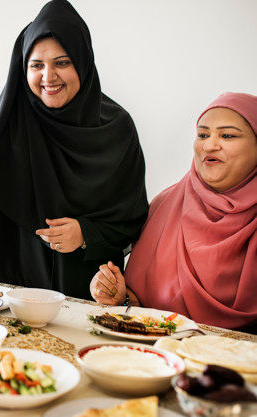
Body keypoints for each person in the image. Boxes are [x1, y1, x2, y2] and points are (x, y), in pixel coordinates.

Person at [0, 0, 148, 298]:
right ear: (23, 68)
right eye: (36, 65)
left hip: (90, 291)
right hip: (16, 288)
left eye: (62, 62)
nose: (48, 76)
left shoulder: (116, 129)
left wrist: (86, 234)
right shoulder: (6, 129)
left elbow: (131, 216)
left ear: (83, 62)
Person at [90, 92, 257, 331]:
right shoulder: (166, 206)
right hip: (156, 358)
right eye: (202, 134)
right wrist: (118, 297)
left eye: (227, 135)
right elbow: (141, 305)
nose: (209, 145)